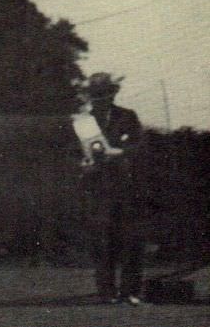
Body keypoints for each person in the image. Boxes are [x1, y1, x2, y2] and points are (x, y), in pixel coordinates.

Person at [78, 73, 146, 306]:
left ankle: (131, 292)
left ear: (113, 94)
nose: (100, 99)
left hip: (127, 187)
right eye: (96, 96)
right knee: (102, 242)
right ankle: (106, 292)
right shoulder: (82, 122)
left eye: (104, 94)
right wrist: (82, 165)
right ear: (90, 97)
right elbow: (74, 153)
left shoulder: (128, 116)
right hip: (97, 190)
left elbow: (139, 146)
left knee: (131, 240)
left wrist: (122, 152)